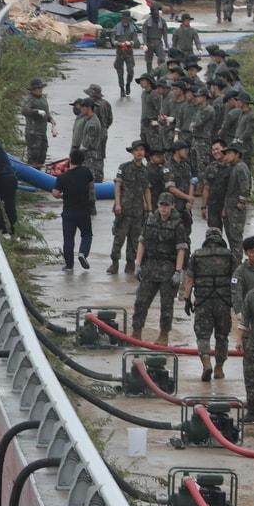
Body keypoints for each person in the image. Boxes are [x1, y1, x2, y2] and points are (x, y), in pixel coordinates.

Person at [132, 194, 189, 342]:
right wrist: (137, 264)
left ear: (172, 206)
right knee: (141, 301)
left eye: (166, 205)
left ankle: (164, 335)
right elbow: (142, 242)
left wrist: (178, 271)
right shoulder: (150, 220)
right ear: (157, 205)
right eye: (161, 204)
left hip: (168, 268)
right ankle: (136, 333)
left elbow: (181, 249)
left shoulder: (178, 225)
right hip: (150, 266)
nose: (163, 208)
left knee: (166, 305)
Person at [182, 228, 235, 381]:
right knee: (222, 336)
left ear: (206, 238)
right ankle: (219, 368)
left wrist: (187, 299)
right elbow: (235, 279)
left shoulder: (197, 255)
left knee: (203, 336)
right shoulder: (229, 255)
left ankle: (206, 363)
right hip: (224, 302)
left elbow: (189, 279)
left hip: (203, 301)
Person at [109, 140, 151, 274]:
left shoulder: (145, 171)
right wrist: (118, 203)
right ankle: (114, 263)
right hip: (123, 210)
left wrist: (149, 208)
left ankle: (130, 264)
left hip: (138, 211)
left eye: (142, 150)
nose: (139, 152)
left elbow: (146, 190)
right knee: (119, 238)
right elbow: (117, 186)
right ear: (132, 152)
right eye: (137, 150)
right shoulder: (124, 167)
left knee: (135, 240)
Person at [53, 149, 97, 271]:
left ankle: (69, 266)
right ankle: (83, 253)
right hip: (83, 210)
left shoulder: (63, 177)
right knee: (87, 234)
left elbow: (55, 193)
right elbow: (91, 185)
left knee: (68, 239)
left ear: (70, 159)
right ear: (82, 160)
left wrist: (63, 195)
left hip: (68, 212)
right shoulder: (86, 172)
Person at [237, 236, 254, 417]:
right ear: (247, 253)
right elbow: (236, 296)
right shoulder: (241, 273)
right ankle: (253, 410)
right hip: (250, 329)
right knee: (250, 374)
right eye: (253, 251)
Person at [223, 141, 252, 265]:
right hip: (230, 207)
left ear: (237, 154)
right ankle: (235, 262)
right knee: (231, 237)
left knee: (236, 238)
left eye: (230, 153)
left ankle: (237, 264)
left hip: (236, 209)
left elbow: (245, 187)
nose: (227, 156)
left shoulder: (240, 167)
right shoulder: (233, 167)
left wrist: (241, 201)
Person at [20, 78, 57, 168]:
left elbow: (46, 114)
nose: (40, 89)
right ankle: (30, 175)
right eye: (38, 88)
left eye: (41, 88)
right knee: (33, 155)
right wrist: (37, 111)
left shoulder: (43, 98)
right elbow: (24, 110)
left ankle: (39, 173)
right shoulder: (29, 99)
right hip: (33, 133)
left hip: (42, 132)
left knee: (43, 153)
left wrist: (51, 120)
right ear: (33, 89)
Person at [71, 97, 105, 183]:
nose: (81, 110)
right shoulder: (89, 119)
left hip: (88, 155)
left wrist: (76, 155)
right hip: (86, 154)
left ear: (88, 108)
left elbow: (86, 144)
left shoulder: (92, 123)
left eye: (82, 107)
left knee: (88, 177)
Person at [113, 14, 139, 97]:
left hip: (129, 52)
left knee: (130, 71)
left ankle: (128, 84)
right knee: (120, 72)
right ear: (122, 19)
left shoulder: (132, 28)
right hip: (120, 51)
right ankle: (122, 88)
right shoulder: (117, 27)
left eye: (127, 19)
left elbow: (135, 39)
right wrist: (116, 43)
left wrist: (131, 42)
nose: (125, 21)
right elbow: (112, 38)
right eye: (124, 19)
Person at [143, 6, 170, 74]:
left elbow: (165, 34)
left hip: (158, 42)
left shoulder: (162, 21)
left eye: (157, 13)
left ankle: (161, 73)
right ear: (152, 14)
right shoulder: (147, 22)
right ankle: (149, 74)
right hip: (149, 42)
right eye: (154, 13)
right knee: (149, 61)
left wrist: (166, 45)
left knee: (162, 58)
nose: (156, 15)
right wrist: (145, 44)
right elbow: (144, 34)